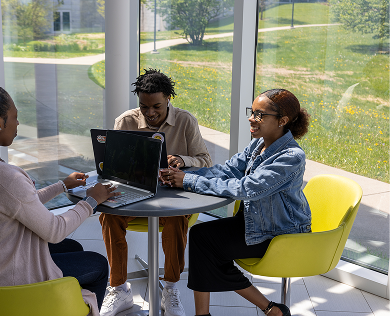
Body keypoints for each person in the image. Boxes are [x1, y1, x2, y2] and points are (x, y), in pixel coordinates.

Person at [0, 65, 120, 316]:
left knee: (74, 248)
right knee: (99, 265)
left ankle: (61, 301)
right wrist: (92, 201)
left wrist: (62, 185)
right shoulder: (6, 178)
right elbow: (54, 230)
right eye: (15, 117)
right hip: (5, 277)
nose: (18, 123)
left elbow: (15, 205)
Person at [159, 89, 311, 316]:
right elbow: (227, 170)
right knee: (201, 238)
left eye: (260, 115)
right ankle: (264, 310)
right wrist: (184, 173)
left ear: (282, 121)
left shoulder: (291, 156)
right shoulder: (259, 144)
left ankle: (269, 308)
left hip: (280, 233)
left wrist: (189, 181)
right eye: (252, 112)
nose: (251, 118)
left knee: (207, 248)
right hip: (255, 223)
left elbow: (248, 188)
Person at [99, 69, 212, 316]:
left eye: (157, 107)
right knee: (108, 216)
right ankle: (118, 287)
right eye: (144, 106)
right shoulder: (125, 121)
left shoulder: (185, 121)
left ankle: (170, 288)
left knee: (174, 220)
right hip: (134, 193)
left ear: (169, 99)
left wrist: (182, 160)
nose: (150, 113)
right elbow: (113, 163)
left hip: (172, 198)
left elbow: (205, 160)